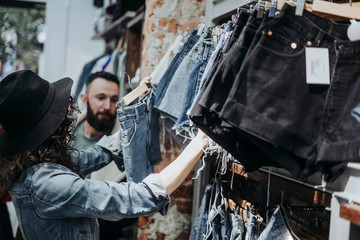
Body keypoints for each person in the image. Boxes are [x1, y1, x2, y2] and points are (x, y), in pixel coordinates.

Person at [0, 70, 208, 240]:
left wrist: (132, 107)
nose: (66, 112)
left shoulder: (33, 164)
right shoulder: (45, 183)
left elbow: (95, 155)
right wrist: (200, 142)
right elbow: (135, 197)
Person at [73, 71, 134, 240]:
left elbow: (129, 208)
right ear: (85, 100)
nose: (108, 106)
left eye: (114, 99)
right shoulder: (62, 136)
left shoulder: (128, 144)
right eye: (101, 97)